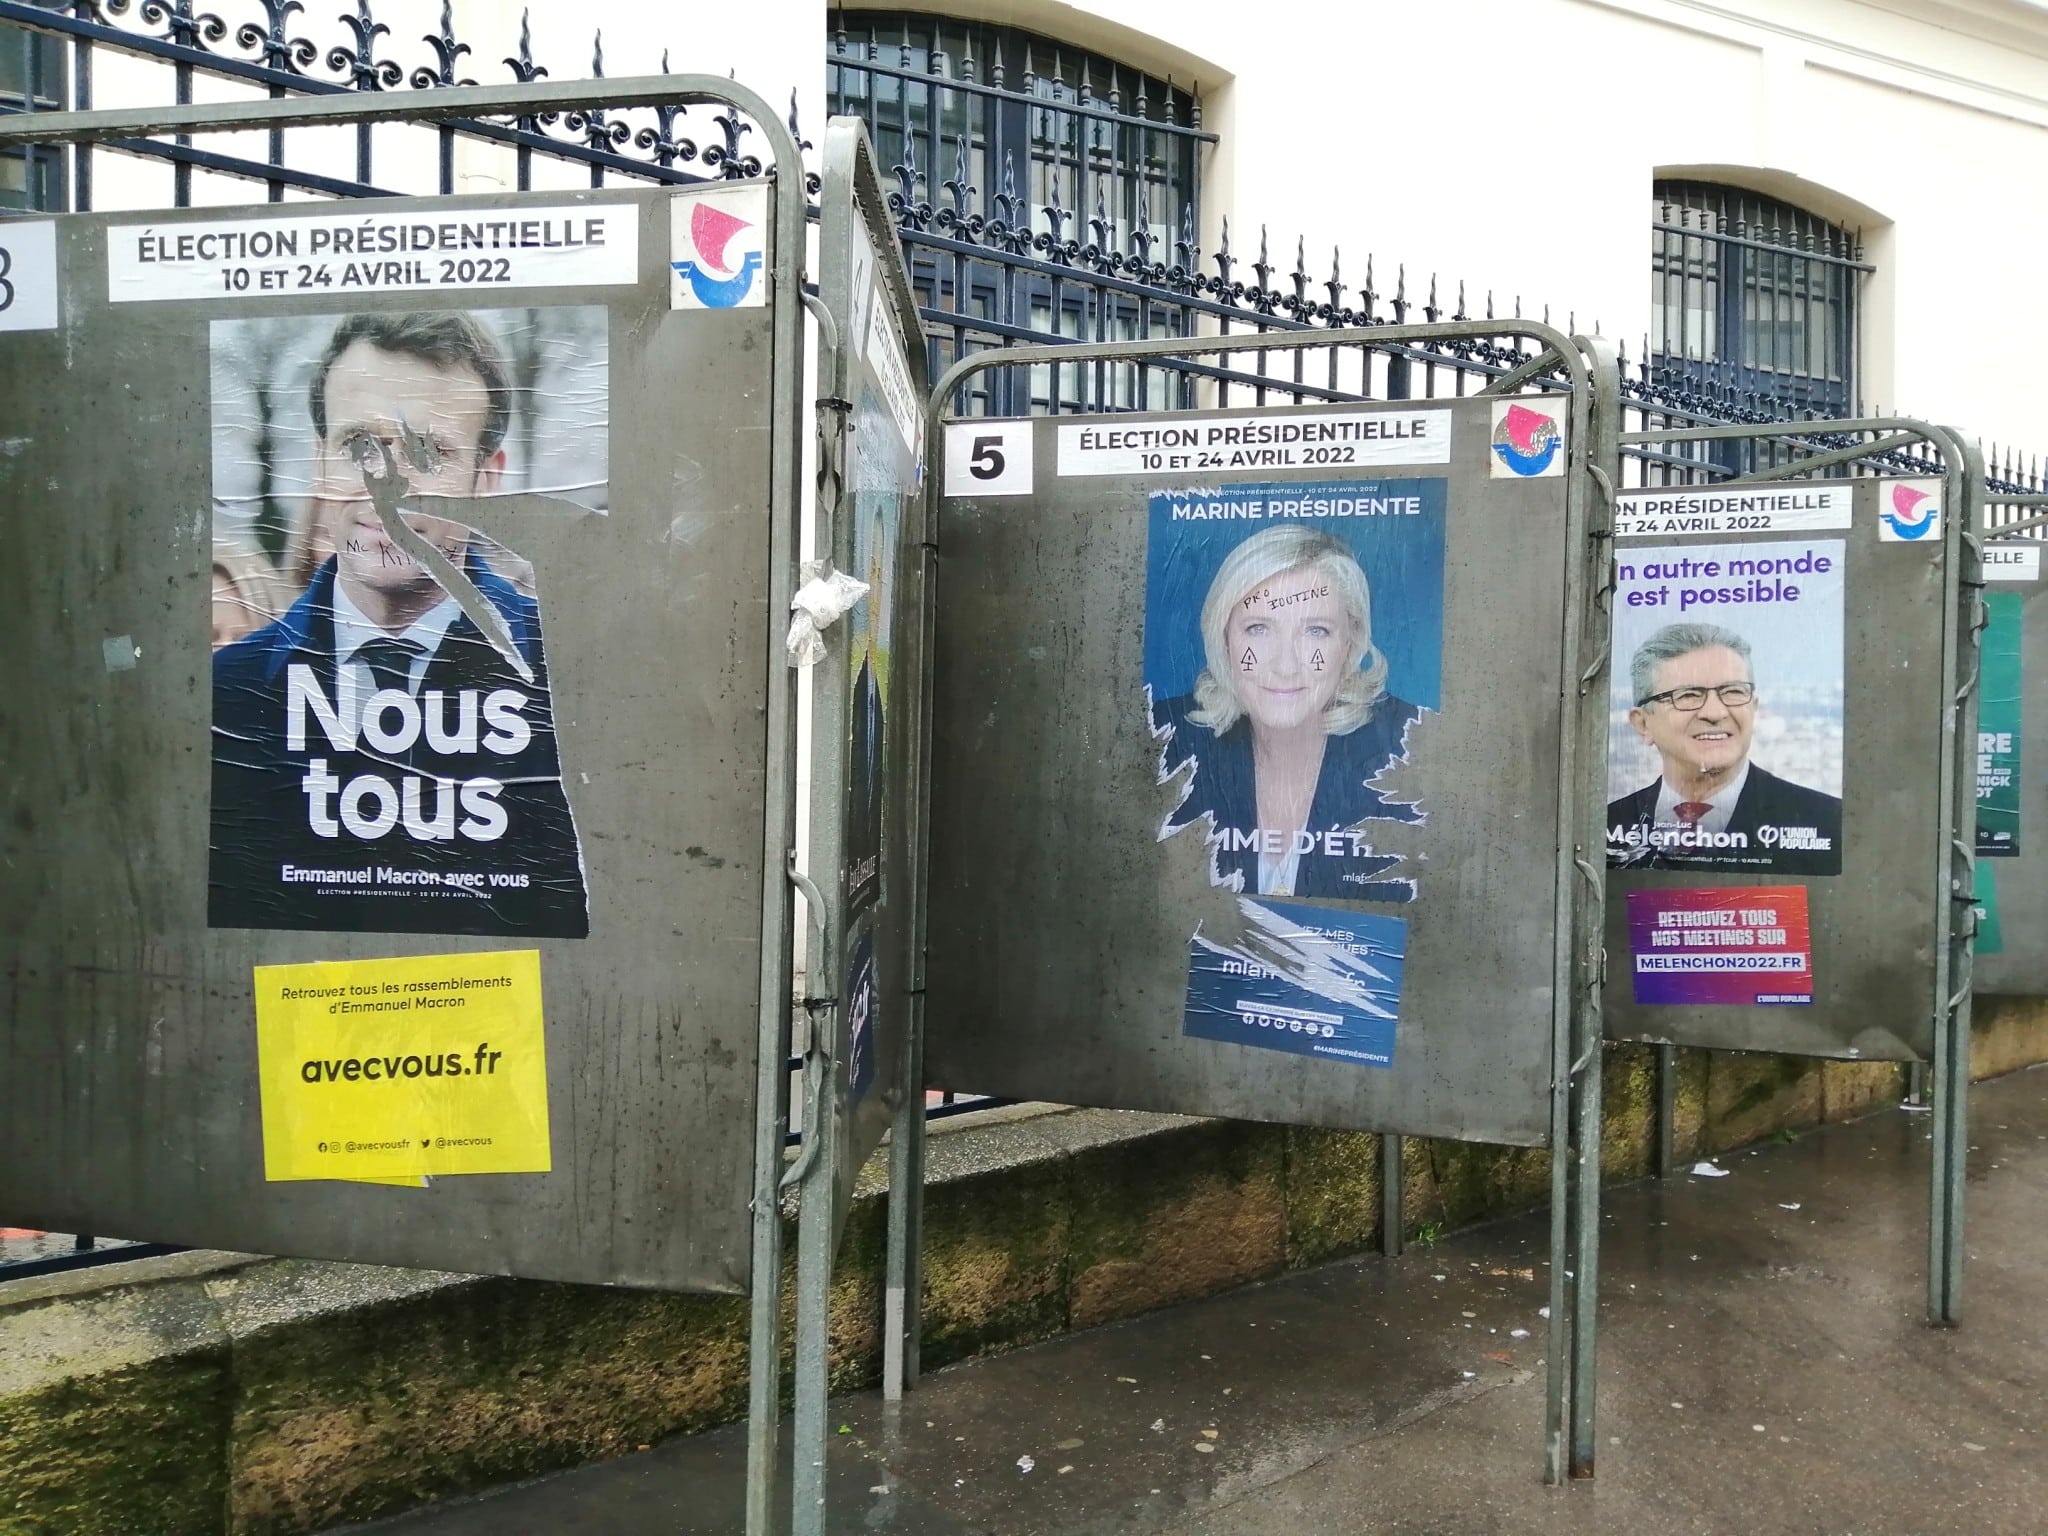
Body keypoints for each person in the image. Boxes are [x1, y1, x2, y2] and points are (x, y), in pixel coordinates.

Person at [209, 311, 589, 938]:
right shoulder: (224, 696)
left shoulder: (579, 690)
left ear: (487, 480)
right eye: (359, 445)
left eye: (428, 453)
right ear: (320, 462)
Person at [1153, 524, 1421, 900]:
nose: (1285, 666)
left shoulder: (1418, 749)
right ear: (1223, 636)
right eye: (1258, 628)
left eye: (1316, 631)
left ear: (1351, 641)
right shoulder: (1157, 738)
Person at [1606, 620, 1842, 875]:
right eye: (1688, 695)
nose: (1715, 712)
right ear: (1643, 724)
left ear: (1753, 708)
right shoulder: (1605, 827)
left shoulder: (1828, 823)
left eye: (1733, 692)